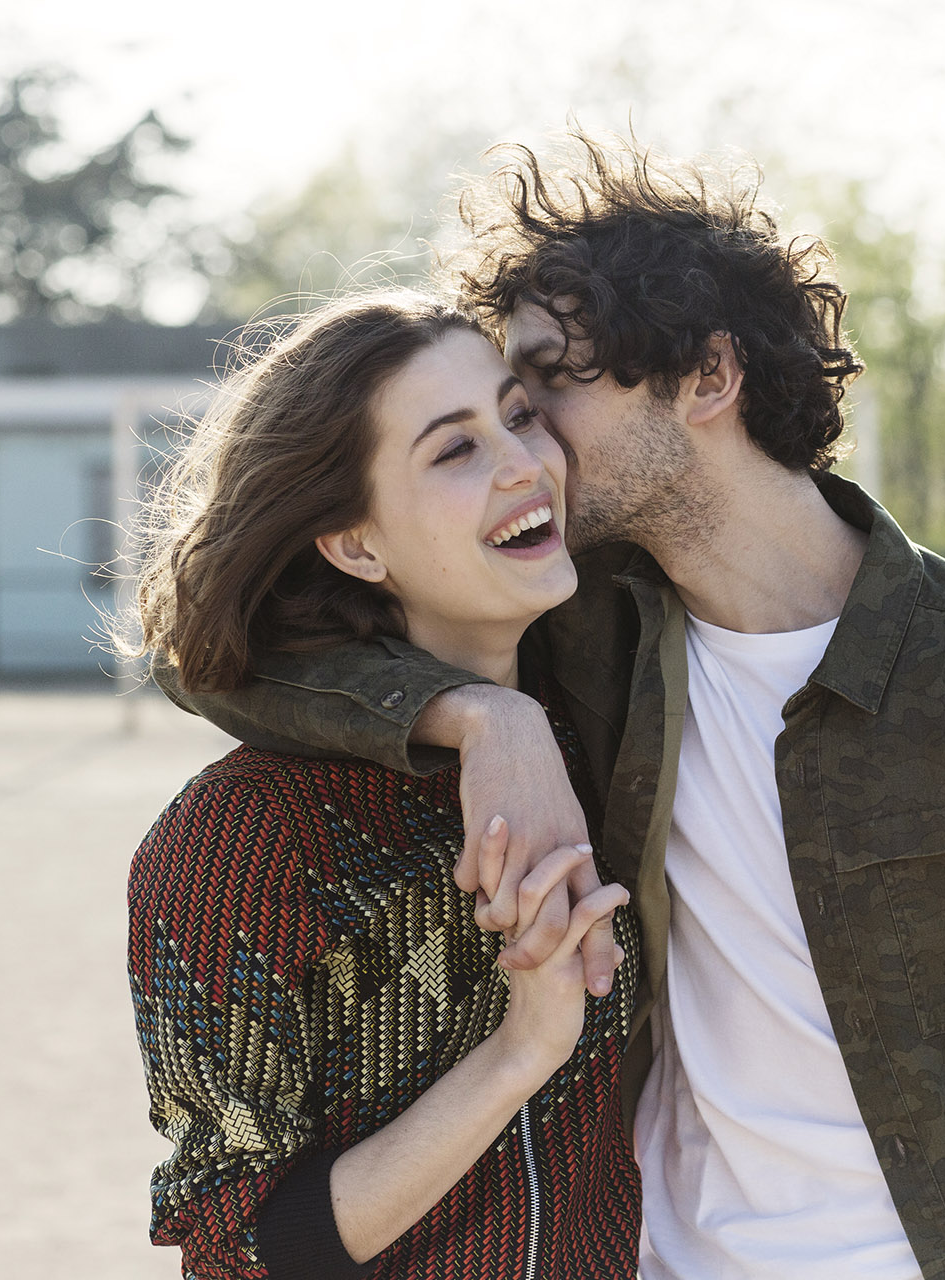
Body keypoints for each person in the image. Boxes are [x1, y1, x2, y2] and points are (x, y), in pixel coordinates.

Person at [161, 136, 945, 1280]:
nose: (531, 445)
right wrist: (482, 719)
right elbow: (227, 658)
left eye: (544, 390)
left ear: (707, 378)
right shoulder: (586, 638)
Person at [124, 291, 642, 1279]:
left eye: (518, 416)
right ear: (355, 543)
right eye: (455, 450)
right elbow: (239, 1248)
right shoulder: (242, 835)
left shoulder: (620, 752)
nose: (524, 462)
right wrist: (522, 1048)